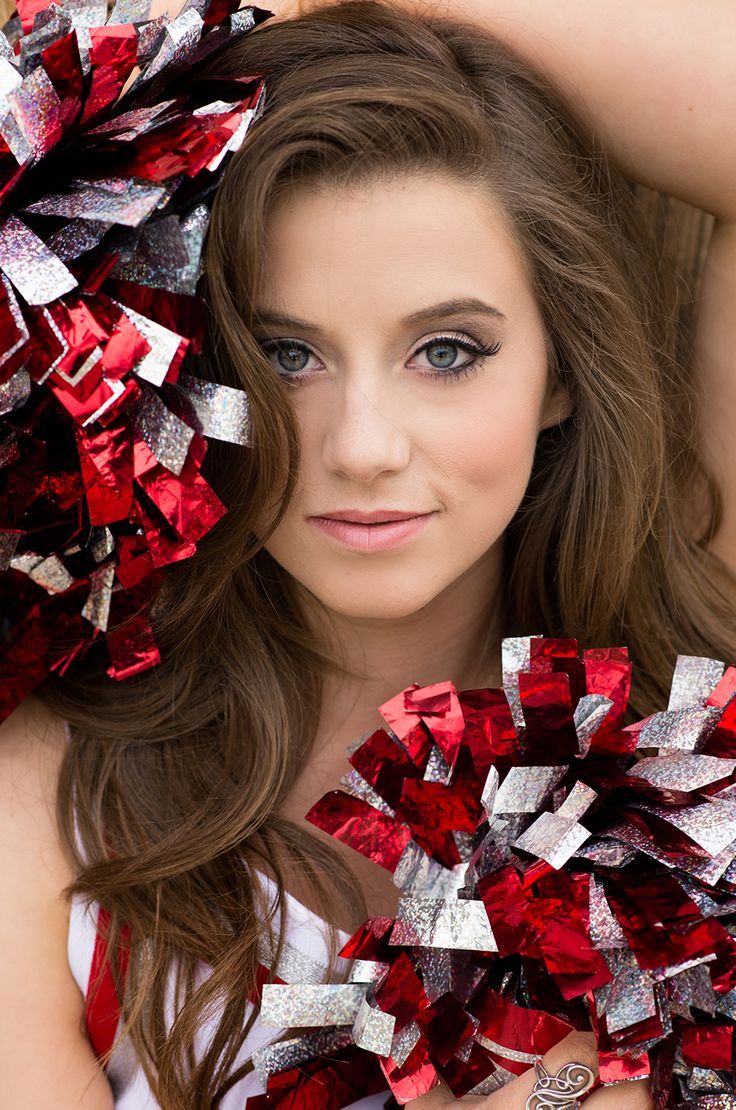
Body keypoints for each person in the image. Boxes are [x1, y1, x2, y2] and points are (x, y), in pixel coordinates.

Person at [0, 0, 734, 1106]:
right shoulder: (49, 782)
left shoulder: (694, 702)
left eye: (447, 351)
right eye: (285, 355)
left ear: (561, 370)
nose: (362, 448)